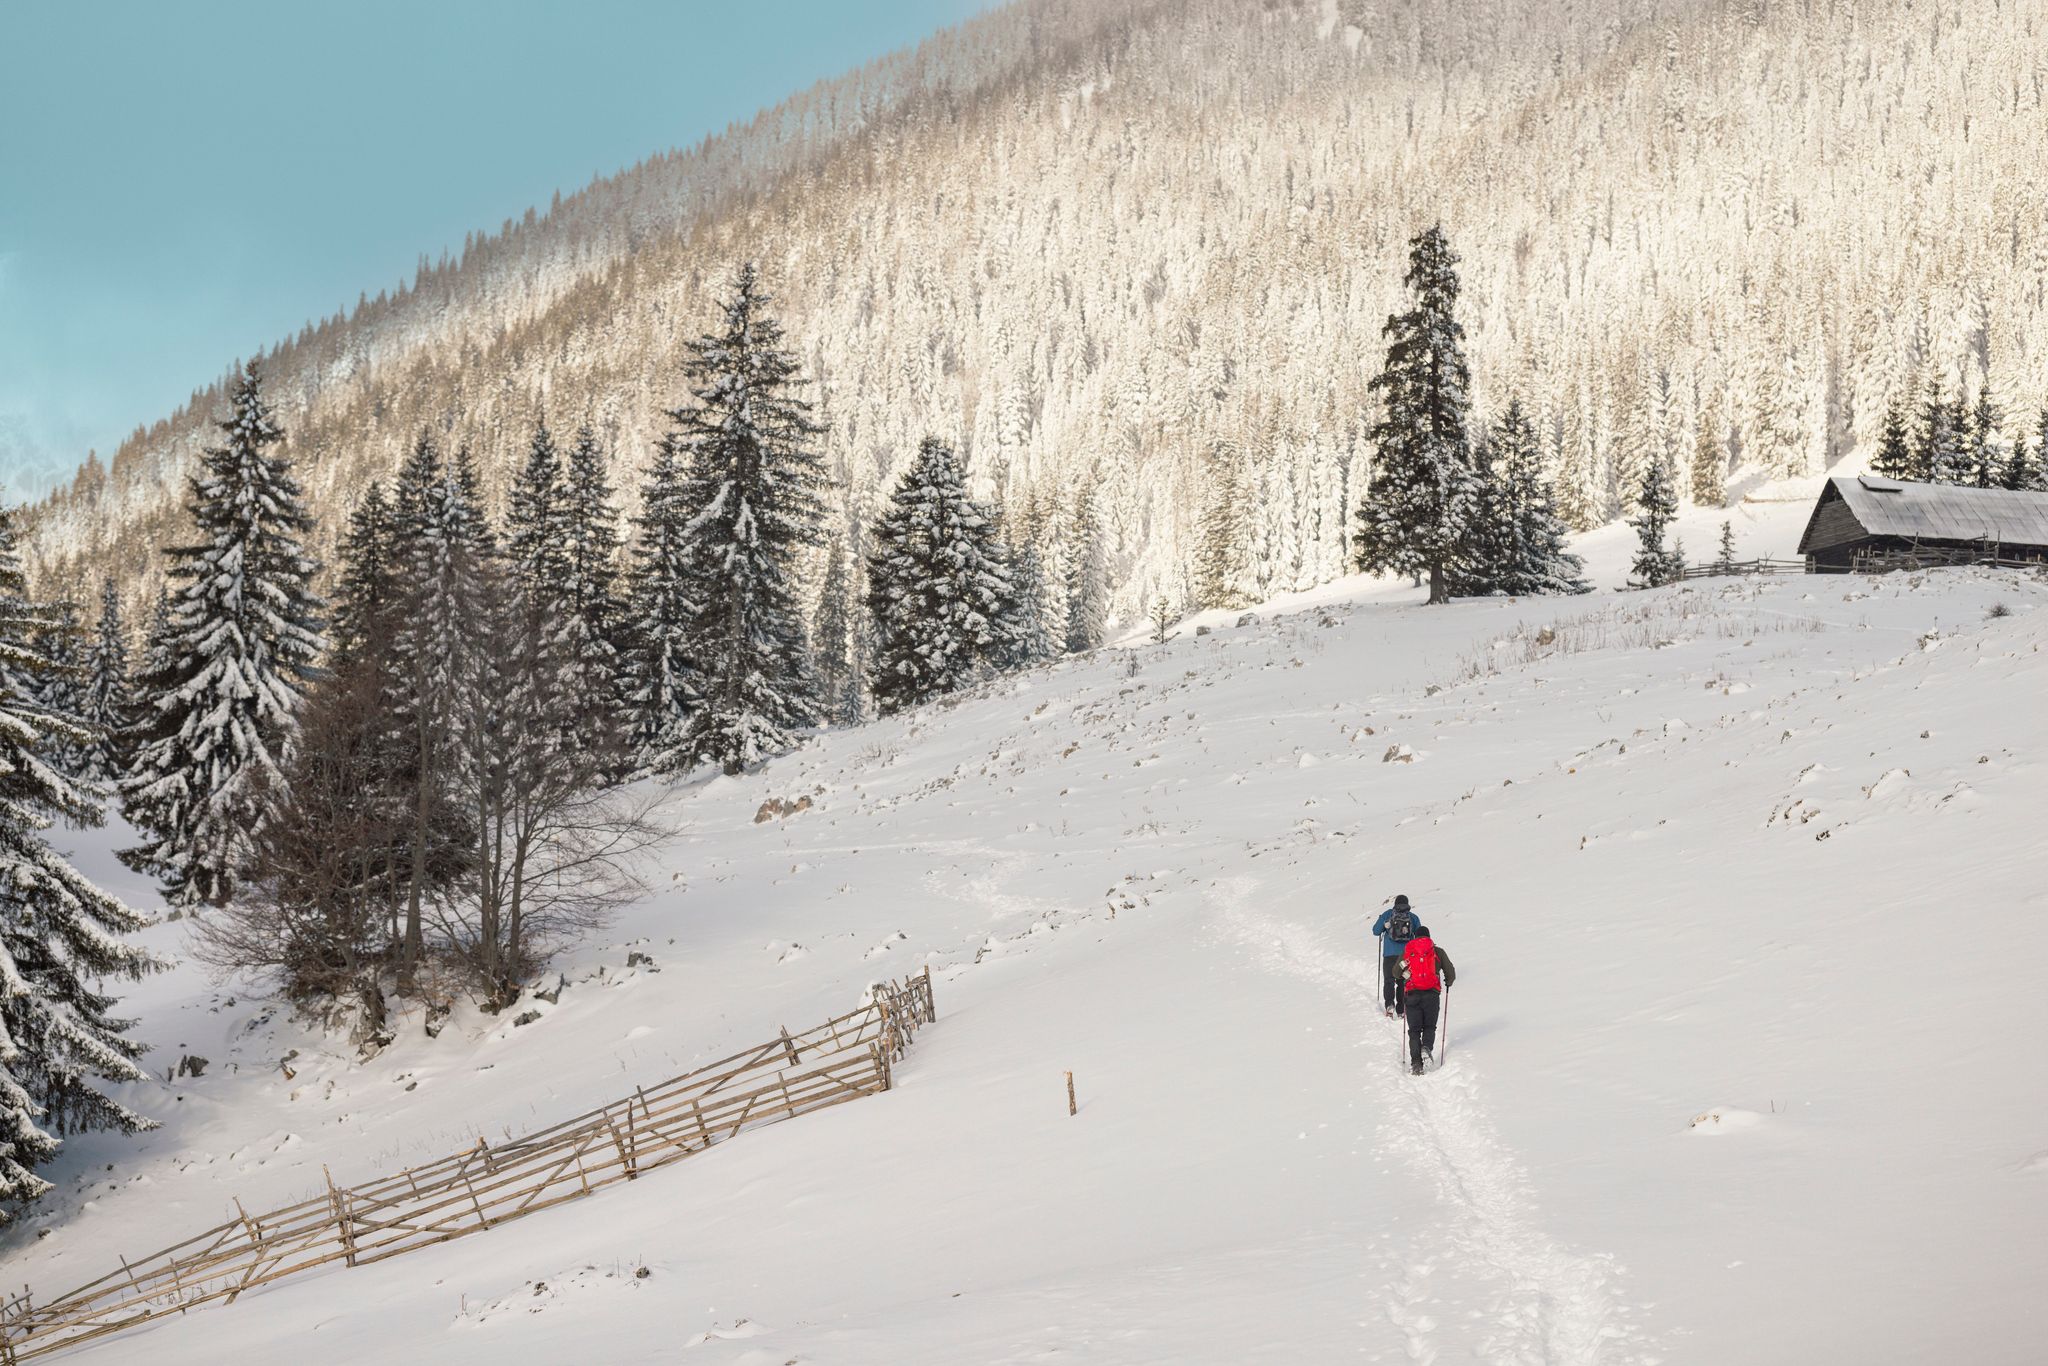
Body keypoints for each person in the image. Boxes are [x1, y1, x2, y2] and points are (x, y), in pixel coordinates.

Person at [1399, 931, 1456, 1074]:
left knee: (1414, 1031)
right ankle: (1427, 1047)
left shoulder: (1408, 951)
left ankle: (1416, 1064)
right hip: (1432, 995)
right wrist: (1448, 982)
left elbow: (1395, 972)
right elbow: (1451, 973)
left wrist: (1404, 972)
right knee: (1429, 1026)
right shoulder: (1437, 951)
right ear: (1429, 937)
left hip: (1412, 994)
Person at [1371, 895, 1426, 1017]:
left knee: (1389, 980)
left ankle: (1390, 1005)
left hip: (1389, 954)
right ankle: (1402, 1009)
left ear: (1395, 903)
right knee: (1402, 981)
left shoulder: (1388, 914)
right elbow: (1420, 936)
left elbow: (1375, 931)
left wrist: (1385, 925)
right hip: (1406, 956)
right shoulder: (1413, 917)